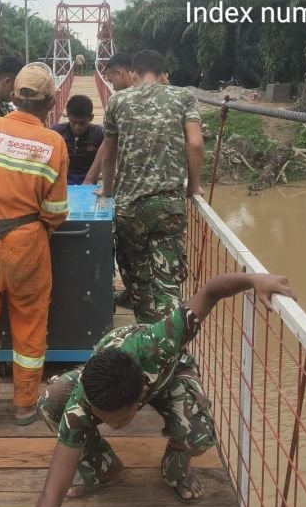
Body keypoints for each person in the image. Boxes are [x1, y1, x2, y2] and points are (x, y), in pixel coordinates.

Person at [6, 271, 295, 507]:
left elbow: (209, 291)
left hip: (169, 375)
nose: (110, 426)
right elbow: (51, 494)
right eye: (98, 417)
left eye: (115, 422)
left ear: (138, 400)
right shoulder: (85, 401)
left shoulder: (163, 340)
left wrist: (255, 279)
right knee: (52, 404)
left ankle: (175, 470)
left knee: (197, 430)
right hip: (109, 374)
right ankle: (107, 470)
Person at [0, 63, 69, 426]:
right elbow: (56, 210)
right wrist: (39, 230)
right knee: (29, 324)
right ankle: (23, 406)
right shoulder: (54, 142)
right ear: (52, 102)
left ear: (14, 95)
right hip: (27, 244)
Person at [101, 49, 205, 323]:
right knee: (167, 282)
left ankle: (146, 338)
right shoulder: (183, 96)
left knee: (137, 278)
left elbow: (109, 154)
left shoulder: (117, 100)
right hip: (168, 206)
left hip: (128, 208)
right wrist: (193, 187)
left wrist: (107, 192)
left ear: (133, 74)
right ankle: (170, 350)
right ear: (164, 75)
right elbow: (195, 144)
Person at [82, 53, 134, 186]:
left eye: (111, 81)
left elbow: (108, 148)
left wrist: (93, 181)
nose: (113, 87)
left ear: (119, 73)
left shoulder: (117, 100)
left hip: (131, 184)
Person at [52, 95, 104, 185]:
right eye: (73, 122)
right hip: (61, 181)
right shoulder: (56, 133)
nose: (77, 127)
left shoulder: (99, 134)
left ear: (91, 118)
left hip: (89, 181)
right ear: (68, 116)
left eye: (82, 123)